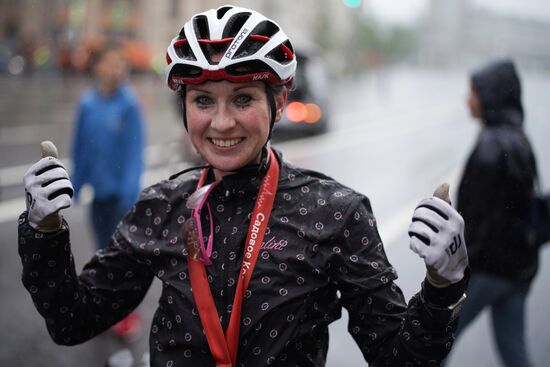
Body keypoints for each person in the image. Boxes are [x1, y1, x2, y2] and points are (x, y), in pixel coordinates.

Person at [19, 5, 469, 366]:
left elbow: (398, 357)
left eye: (242, 99)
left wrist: (441, 287)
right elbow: (71, 321)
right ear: (184, 106)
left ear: (279, 103)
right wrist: (44, 233)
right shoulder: (162, 206)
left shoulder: (336, 213)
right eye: (202, 100)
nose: (221, 123)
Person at [449, 59, 538, 367]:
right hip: (519, 269)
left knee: (432, 344)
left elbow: (471, 218)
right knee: (515, 352)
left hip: (487, 269)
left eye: (474, 91)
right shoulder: (518, 138)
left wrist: (454, 272)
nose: (468, 99)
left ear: (491, 96)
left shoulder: (490, 145)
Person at [70, 41, 146, 339]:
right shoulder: (88, 103)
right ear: (98, 66)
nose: (115, 69)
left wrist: (129, 193)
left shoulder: (129, 104)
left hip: (121, 197)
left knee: (122, 260)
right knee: (101, 255)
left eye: (120, 63)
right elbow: (81, 147)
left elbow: (134, 150)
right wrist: (76, 184)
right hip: (98, 195)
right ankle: (105, 310)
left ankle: (126, 314)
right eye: (110, 62)